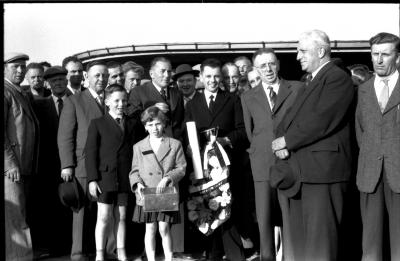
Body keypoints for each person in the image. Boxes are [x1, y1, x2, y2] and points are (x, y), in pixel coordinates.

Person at [271, 29, 354, 261]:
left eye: (303, 51)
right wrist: (281, 141)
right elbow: (289, 119)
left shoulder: (336, 77)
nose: (298, 56)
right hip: (304, 173)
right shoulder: (313, 80)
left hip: (323, 173)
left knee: (321, 244)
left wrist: (287, 140)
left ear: (321, 51)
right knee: (305, 243)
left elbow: (322, 119)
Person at [241, 48, 302, 261]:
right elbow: (251, 133)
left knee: (290, 216)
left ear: (278, 64)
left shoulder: (297, 88)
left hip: (290, 161)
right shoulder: (248, 97)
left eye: (271, 64)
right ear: (256, 69)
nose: (267, 69)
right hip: (262, 163)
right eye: (262, 65)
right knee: (264, 219)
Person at [185, 58, 247, 261]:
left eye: (216, 77)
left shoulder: (232, 100)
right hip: (202, 167)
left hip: (227, 165)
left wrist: (223, 140)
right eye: (208, 76)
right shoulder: (193, 103)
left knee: (228, 206)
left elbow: (242, 131)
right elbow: (187, 134)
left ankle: (235, 254)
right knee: (208, 207)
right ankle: (213, 252)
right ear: (201, 77)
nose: (212, 80)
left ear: (221, 78)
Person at [58, 60, 113, 261]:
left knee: (106, 209)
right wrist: (67, 165)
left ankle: (106, 250)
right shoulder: (74, 101)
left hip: (107, 165)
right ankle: (78, 253)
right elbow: (65, 136)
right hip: (81, 163)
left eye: (105, 75)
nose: (101, 79)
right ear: (86, 77)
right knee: (80, 210)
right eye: (97, 75)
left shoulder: (112, 99)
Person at [355, 32, 400, 261]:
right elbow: (359, 130)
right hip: (370, 174)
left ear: (397, 57)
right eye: (375, 54)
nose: (379, 60)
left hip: (399, 174)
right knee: (370, 245)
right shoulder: (363, 90)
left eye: (385, 54)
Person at [85, 84, 142, 261]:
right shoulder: (98, 123)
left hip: (126, 177)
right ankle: (100, 254)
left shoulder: (134, 124)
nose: (120, 104)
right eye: (116, 100)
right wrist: (92, 180)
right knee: (103, 216)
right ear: (107, 101)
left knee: (122, 216)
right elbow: (90, 153)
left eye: (124, 100)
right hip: (105, 177)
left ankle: (121, 251)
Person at [129, 105, 187, 261]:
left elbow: (181, 168)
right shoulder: (139, 146)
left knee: (164, 227)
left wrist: (168, 178)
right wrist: (137, 184)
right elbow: (134, 171)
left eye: (157, 123)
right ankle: (151, 258)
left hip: (165, 191)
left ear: (164, 123)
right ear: (145, 127)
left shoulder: (174, 144)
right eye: (150, 124)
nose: (154, 128)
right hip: (147, 191)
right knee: (150, 228)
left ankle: (169, 258)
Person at [31, 66, 72, 258]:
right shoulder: (39, 105)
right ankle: (56, 248)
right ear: (48, 84)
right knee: (51, 207)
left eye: (62, 80)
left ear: (66, 81)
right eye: (54, 81)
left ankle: (74, 246)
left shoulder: (76, 101)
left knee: (71, 204)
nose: (58, 84)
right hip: (48, 165)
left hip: (72, 164)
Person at [4, 52, 39, 261]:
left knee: (18, 216)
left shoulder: (17, 92)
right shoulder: (6, 91)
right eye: (15, 66)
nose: (20, 70)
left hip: (23, 165)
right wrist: (9, 164)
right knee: (16, 219)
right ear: (5, 68)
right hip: (12, 167)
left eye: (22, 66)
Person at [127, 57, 184, 139]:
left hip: (175, 143)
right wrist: (150, 110)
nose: (167, 75)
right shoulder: (138, 91)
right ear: (151, 74)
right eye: (163, 71)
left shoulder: (177, 93)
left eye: (169, 71)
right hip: (150, 143)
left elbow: (181, 120)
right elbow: (132, 119)